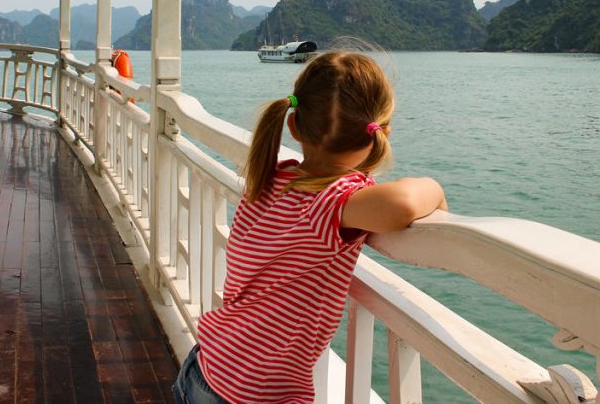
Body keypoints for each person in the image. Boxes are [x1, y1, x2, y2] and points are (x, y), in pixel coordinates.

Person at [172, 51, 448, 404]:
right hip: (254, 396)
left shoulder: (274, 176)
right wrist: (436, 189)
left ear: (293, 125)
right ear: (381, 132)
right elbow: (405, 204)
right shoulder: (334, 203)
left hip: (206, 368)